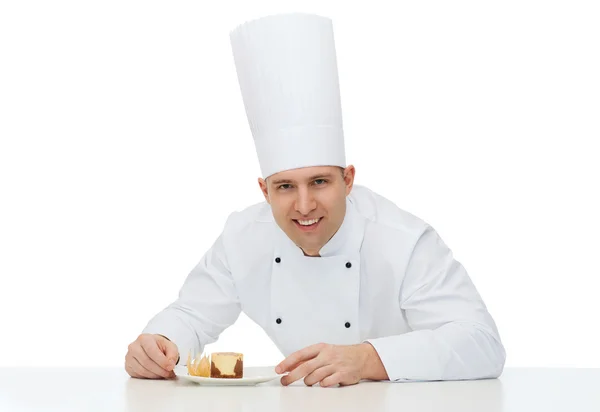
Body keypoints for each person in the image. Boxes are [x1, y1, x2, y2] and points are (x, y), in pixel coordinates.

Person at [124, 13, 505, 387]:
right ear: (264, 190)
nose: (304, 205)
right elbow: (191, 314)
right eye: (285, 186)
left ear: (348, 179)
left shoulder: (403, 241)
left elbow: (483, 343)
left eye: (319, 182)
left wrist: (368, 358)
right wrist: (159, 343)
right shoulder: (243, 236)